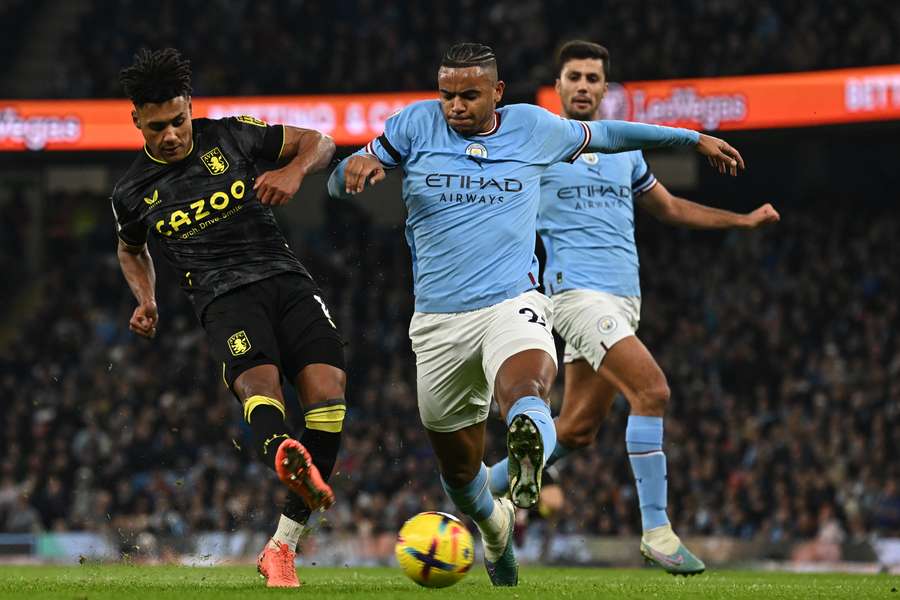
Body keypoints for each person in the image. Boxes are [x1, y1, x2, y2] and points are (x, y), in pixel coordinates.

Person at [327, 42, 744, 586]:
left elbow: (617, 136)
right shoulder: (414, 125)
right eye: (447, 94)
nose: (455, 105)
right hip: (438, 322)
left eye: (469, 95)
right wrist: (351, 168)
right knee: (461, 476)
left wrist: (693, 138)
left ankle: (529, 435)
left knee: (529, 391)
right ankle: (496, 525)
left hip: (514, 302)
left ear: (497, 92)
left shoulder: (533, 128)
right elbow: (340, 182)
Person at [487, 40, 780, 575]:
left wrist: (740, 222)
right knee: (653, 390)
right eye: (572, 76)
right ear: (558, 87)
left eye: (592, 78)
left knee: (576, 430)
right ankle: (657, 532)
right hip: (575, 296)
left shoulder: (626, 151)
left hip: (624, 301)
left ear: (605, 89)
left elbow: (668, 208)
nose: (582, 86)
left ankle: (480, 489)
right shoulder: (540, 146)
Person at [111, 48, 347, 587]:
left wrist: (291, 171)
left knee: (330, 398)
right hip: (223, 299)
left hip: (286, 281)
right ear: (136, 122)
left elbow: (321, 142)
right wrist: (146, 298)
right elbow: (131, 249)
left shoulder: (233, 135)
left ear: (190, 106)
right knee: (261, 387)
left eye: (177, 121)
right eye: (156, 128)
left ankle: (281, 547)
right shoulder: (130, 191)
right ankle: (283, 450)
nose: (170, 135)